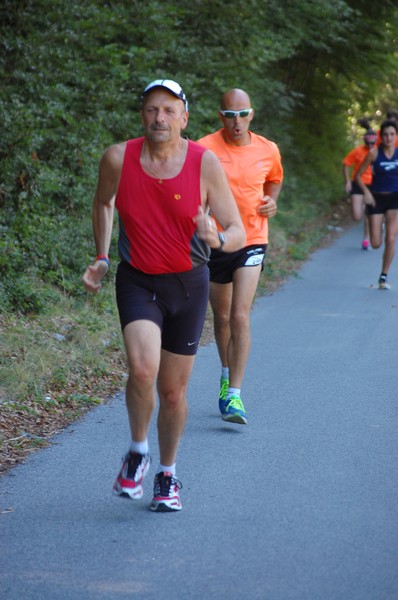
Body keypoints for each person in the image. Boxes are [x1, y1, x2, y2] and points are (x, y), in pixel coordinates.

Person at [82, 79, 245, 512]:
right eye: (153, 109)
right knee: (141, 370)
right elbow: (103, 202)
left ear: (184, 117)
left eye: (169, 110)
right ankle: (138, 450)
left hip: (188, 284)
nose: (160, 118)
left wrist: (216, 236)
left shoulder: (204, 163)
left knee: (172, 393)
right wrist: (101, 254)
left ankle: (168, 475)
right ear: (143, 115)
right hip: (137, 280)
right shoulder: (118, 157)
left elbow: (238, 232)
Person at [198, 89, 283, 425]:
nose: (236, 121)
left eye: (242, 114)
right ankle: (224, 374)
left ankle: (235, 395)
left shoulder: (268, 149)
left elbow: (274, 180)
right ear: (221, 116)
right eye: (230, 115)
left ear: (252, 114)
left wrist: (271, 202)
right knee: (221, 319)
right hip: (216, 241)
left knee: (240, 316)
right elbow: (194, 189)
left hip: (252, 238)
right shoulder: (204, 148)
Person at [355, 119, 398, 289]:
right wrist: (366, 193)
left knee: (391, 238)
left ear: (395, 136)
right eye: (385, 134)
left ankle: (383, 276)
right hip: (376, 199)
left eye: (392, 134)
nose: (388, 138)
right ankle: (377, 226)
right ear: (381, 136)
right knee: (375, 243)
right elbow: (358, 175)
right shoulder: (374, 153)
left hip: (395, 199)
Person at [342, 129, 377, 250]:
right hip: (357, 182)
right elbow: (346, 164)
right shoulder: (358, 151)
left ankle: (366, 238)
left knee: (369, 213)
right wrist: (347, 181)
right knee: (357, 216)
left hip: (372, 185)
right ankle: (363, 208)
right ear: (364, 141)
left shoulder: (378, 151)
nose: (370, 145)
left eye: (373, 143)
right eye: (368, 143)